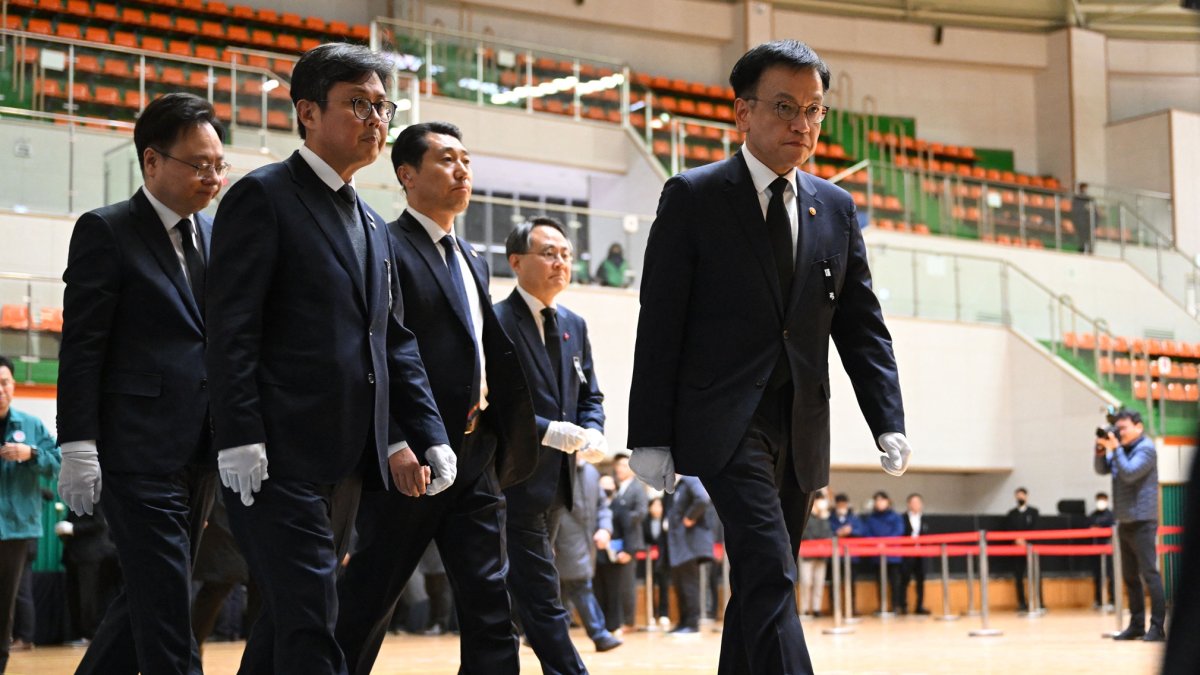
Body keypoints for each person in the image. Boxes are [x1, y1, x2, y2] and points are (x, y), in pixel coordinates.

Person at [627, 39, 911, 675]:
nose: (802, 124)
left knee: (759, 583)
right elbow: (661, 322)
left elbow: (862, 325)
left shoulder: (835, 207)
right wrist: (648, 434)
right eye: (786, 106)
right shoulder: (693, 196)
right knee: (772, 568)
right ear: (741, 113)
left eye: (814, 111)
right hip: (725, 423)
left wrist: (886, 418)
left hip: (802, 424)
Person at [205, 44, 450, 674]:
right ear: (307, 112)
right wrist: (238, 434)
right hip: (275, 455)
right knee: (314, 617)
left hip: (346, 459)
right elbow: (231, 328)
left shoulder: (372, 224)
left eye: (381, 106)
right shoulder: (263, 197)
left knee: (291, 618)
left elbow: (392, 339)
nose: (375, 119)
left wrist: (424, 433)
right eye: (357, 104)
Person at [335, 120, 538, 675]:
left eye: (467, 160)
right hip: (413, 458)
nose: (462, 170)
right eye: (447, 160)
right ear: (406, 174)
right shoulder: (383, 244)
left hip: (475, 453)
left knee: (490, 601)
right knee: (370, 596)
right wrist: (398, 438)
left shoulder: (471, 255)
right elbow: (377, 351)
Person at [57, 92, 224, 675]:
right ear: (151, 161)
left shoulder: (215, 235)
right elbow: (82, 344)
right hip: (135, 450)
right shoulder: (106, 230)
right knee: (169, 604)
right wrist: (77, 442)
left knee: (149, 596)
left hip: (201, 448)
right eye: (198, 164)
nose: (212, 176)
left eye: (218, 165)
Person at [494, 216, 610, 671]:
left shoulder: (574, 325)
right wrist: (545, 430)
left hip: (560, 484)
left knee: (527, 590)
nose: (560, 262)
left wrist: (593, 426)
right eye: (548, 253)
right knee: (542, 592)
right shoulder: (497, 321)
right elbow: (495, 404)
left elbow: (590, 395)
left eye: (564, 253)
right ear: (516, 261)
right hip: (513, 479)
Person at [0, 356, 60, 673]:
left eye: (5, 382)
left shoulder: (31, 425)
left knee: (5, 605)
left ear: (13, 385)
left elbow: (58, 462)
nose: (0, 389)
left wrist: (31, 454)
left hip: (16, 528)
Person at [1095, 410, 1165, 642]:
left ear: (1139, 427)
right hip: (1124, 520)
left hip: (1143, 520)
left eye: (1123, 428)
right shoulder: (1121, 449)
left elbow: (1129, 473)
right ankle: (1136, 625)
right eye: (1118, 428)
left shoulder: (1146, 449)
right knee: (1130, 577)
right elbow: (1101, 469)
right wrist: (1100, 448)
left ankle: (1157, 627)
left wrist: (1114, 449)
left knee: (1149, 575)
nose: (1119, 432)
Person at [553, 455, 623, 652]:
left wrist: (605, 529)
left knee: (561, 593)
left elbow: (603, 507)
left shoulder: (592, 473)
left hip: (586, 544)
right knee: (580, 587)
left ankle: (539, 635)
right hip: (562, 543)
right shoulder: (557, 471)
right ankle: (599, 634)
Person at [189, 493, 249, 649]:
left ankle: (191, 647)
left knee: (222, 583)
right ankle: (191, 647)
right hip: (219, 509)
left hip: (238, 507)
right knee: (220, 581)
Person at [55, 505, 120, 645]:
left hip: (92, 554)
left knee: (89, 597)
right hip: (73, 554)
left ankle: (91, 635)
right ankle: (80, 634)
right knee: (75, 597)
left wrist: (73, 528)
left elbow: (100, 523)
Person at [604, 454, 647, 634]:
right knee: (618, 584)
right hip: (617, 542)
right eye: (618, 465)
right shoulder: (618, 489)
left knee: (628, 583)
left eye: (623, 465)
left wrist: (623, 517)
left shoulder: (637, 488)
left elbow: (640, 513)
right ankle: (620, 620)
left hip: (631, 542)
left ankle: (629, 621)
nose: (619, 468)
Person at [667, 474, 714, 634]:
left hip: (690, 543)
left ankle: (692, 624)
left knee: (689, 584)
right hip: (680, 544)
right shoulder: (678, 485)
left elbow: (702, 498)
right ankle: (683, 622)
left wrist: (690, 517)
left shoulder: (690, 479)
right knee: (680, 584)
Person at [861, 491, 904, 613]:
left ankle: (896, 606)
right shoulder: (871, 518)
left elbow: (898, 532)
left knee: (895, 582)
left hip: (893, 555)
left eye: (882, 500)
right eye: (877, 500)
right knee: (880, 582)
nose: (879, 503)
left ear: (888, 501)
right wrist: (877, 543)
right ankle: (882, 606)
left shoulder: (896, 517)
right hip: (877, 555)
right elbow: (867, 533)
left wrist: (885, 542)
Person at [1003, 487, 1041, 612]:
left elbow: (1036, 528)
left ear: (1026, 496)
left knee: (1035, 575)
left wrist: (1026, 541)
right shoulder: (1011, 513)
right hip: (1016, 549)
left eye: (1022, 495)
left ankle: (1039, 602)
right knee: (1018, 576)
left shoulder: (1034, 512)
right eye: (1018, 495)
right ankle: (1022, 603)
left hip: (1031, 548)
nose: (1020, 497)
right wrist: (1017, 540)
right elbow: (1008, 529)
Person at [799, 493, 831, 618]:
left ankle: (817, 608)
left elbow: (827, 533)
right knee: (806, 582)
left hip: (822, 555)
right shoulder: (806, 515)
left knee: (819, 582)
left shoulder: (824, 518)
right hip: (807, 555)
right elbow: (805, 533)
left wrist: (823, 517)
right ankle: (805, 608)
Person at [899, 493, 930, 615]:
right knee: (904, 580)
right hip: (907, 553)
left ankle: (920, 605)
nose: (916, 505)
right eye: (913, 502)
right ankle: (903, 606)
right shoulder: (902, 518)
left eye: (918, 502)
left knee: (921, 580)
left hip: (921, 553)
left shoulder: (925, 519)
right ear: (908, 504)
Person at [643, 497, 671, 626]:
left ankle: (664, 613)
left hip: (664, 559)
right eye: (654, 506)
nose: (657, 508)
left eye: (659, 506)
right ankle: (651, 614)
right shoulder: (645, 521)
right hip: (648, 560)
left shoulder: (666, 522)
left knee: (664, 586)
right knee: (650, 586)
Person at [1087, 491, 1116, 608]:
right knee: (1097, 575)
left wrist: (1100, 528)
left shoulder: (1111, 515)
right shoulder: (1092, 514)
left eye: (1103, 499)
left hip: (1109, 548)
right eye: (1099, 499)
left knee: (1111, 575)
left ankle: (1112, 600)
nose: (1101, 502)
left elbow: (1112, 528)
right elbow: (1088, 527)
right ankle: (1098, 600)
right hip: (1095, 549)